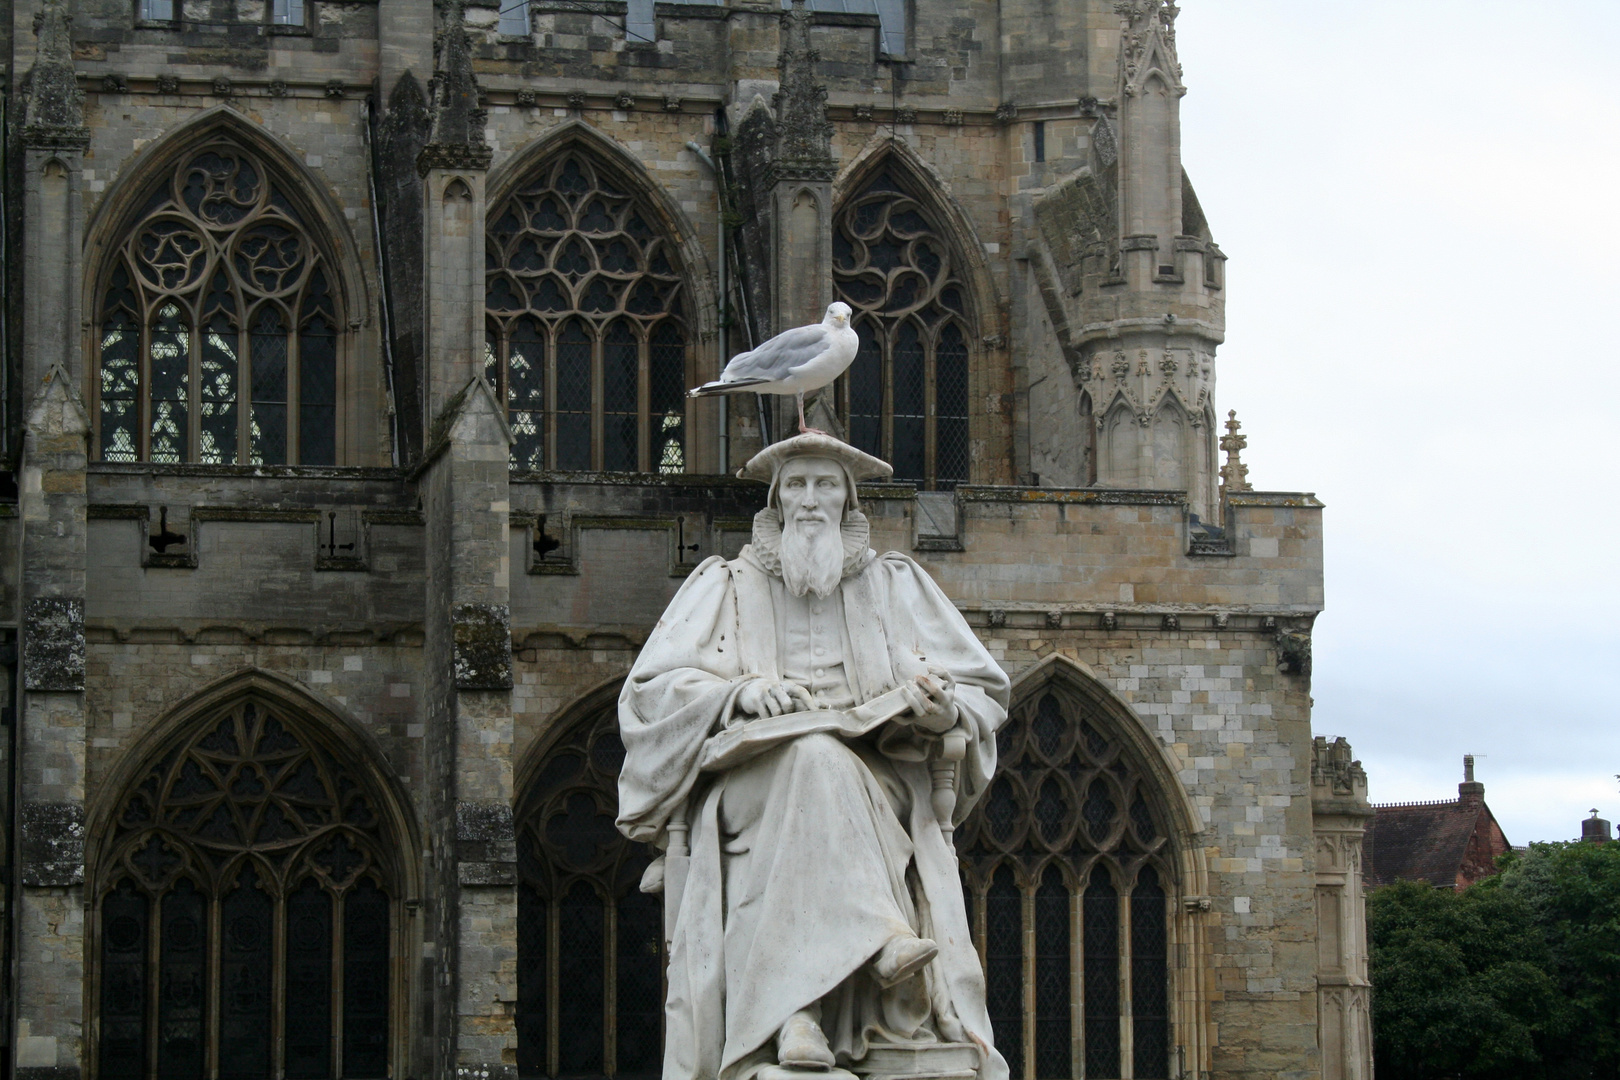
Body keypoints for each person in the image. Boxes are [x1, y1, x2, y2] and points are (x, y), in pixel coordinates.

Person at [617, 433, 1010, 1080]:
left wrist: (943, 710)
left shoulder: (896, 586)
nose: (809, 501)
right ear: (775, 503)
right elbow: (652, 693)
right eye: (795, 486)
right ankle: (877, 944)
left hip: (879, 786)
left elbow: (984, 690)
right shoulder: (726, 586)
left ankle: (798, 1019)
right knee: (811, 755)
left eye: (825, 486)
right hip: (747, 787)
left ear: (848, 502)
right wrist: (741, 694)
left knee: (823, 757)